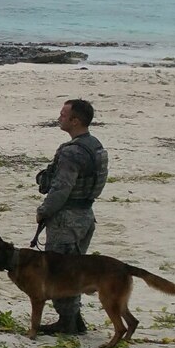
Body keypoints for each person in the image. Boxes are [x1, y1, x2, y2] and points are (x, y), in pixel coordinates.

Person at [35, 97, 107, 335]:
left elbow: (61, 188)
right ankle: (74, 319)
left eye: (64, 115)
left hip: (67, 219)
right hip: (86, 214)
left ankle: (68, 321)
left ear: (75, 121)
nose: (59, 118)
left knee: (60, 272)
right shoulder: (95, 145)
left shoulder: (72, 152)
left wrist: (44, 211)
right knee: (73, 270)